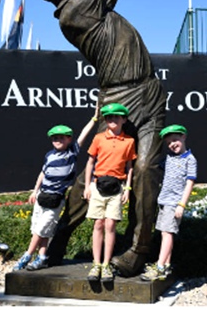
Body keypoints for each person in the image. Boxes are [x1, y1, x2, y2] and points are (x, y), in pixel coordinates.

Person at [34, 0, 167, 276]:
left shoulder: (91, 3)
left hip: (149, 93)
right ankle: (59, 238)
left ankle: (139, 251)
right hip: (120, 100)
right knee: (98, 176)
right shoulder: (76, 9)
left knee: (147, 170)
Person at [14, 106, 99, 272]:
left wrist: (95, 118)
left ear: (69, 139)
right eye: (54, 138)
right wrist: (34, 190)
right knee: (41, 229)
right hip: (41, 197)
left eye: (62, 137)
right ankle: (42, 257)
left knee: (41, 229)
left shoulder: (72, 152)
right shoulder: (49, 155)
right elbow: (42, 173)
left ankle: (27, 255)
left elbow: (83, 134)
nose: (58, 140)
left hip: (56, 199)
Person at [84, 102, 138, 282]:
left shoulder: (129, 141)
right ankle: (96, 264)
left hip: (117, 187)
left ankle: (106, 265)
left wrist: (128, 189)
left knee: (110, 225)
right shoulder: (99, 138)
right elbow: (90, 162)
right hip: (98, 185)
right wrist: (87, 186)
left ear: (123, 119)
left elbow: (130, 167)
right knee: (98, 224)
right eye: (108, 117)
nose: (112, 120)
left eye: (116, 116)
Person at [141, 124, 197, 282]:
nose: (173, 144)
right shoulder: (169, 159)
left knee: (167, 234)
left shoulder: (190, 160)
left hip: (174, 203)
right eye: (169, 143)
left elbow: (190, 183)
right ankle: (166, 265)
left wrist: (182, 204)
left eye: (175, 140)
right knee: (165, 233)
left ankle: (159, 267)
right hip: (164, 202)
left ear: (183, 137)